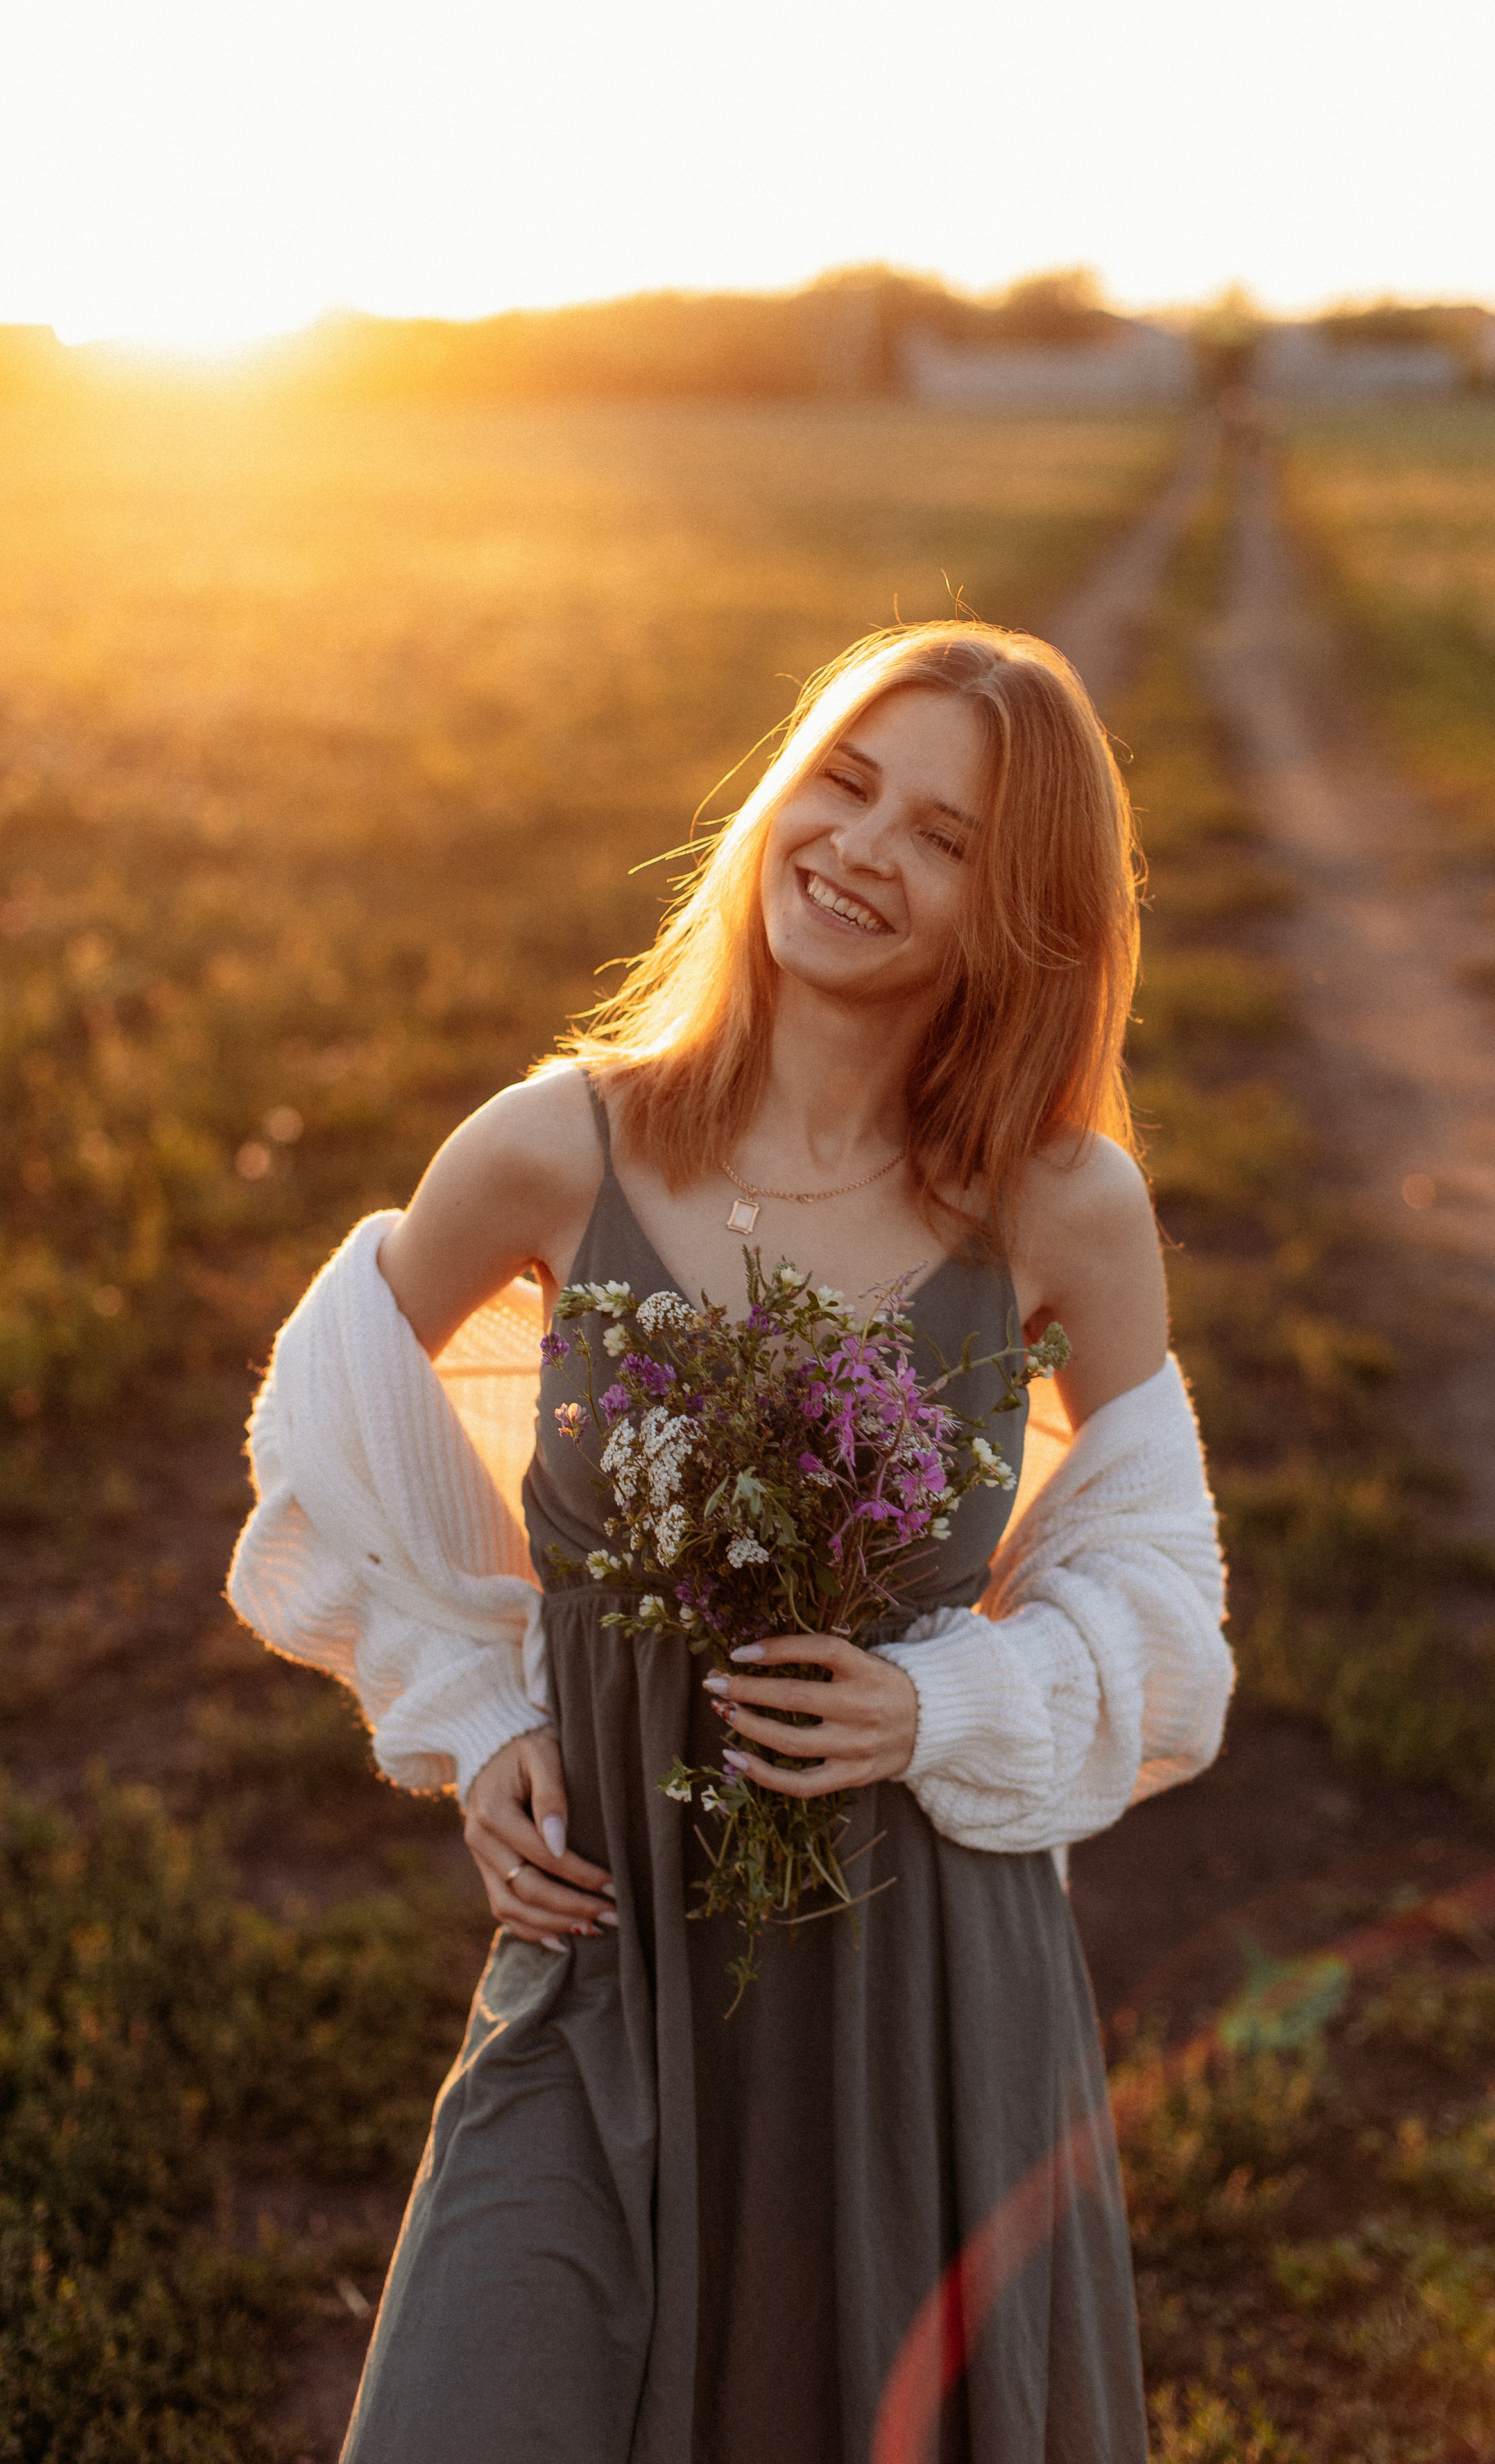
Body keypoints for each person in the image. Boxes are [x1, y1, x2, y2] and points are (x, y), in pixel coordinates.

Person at [230, 620, 1232, 2463]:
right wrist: (477, 1716)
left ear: (1019, 914)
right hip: (607, 1951)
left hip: (918, 1990)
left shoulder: (1061, 1209)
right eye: (846, 784)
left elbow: (1160, 1603)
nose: (862, 847)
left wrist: (943, 1711)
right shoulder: (556, 1147)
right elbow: (333, 1419)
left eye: (943, 836)